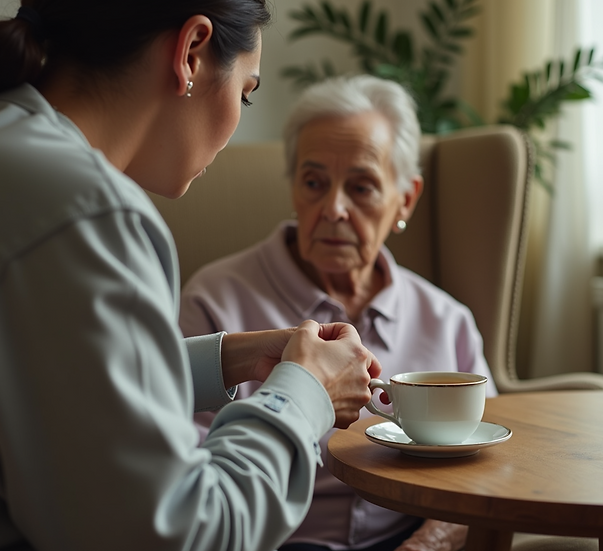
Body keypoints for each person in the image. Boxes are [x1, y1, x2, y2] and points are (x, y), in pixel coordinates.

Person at [0, 2, 383, 550]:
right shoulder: (81, 212)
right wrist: (304, 394)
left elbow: (38, 377)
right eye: (246, 91)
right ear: (191, 52)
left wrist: (231, 356)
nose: (235, 122)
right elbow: (180, 533)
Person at [181, 75, 497, 551]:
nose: (333, 209)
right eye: (313, 182)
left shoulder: (446, 320)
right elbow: (187, 477)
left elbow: (483, 468)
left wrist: (429, 544)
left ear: (405, 199)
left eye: (362, 187)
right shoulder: (214, 300)